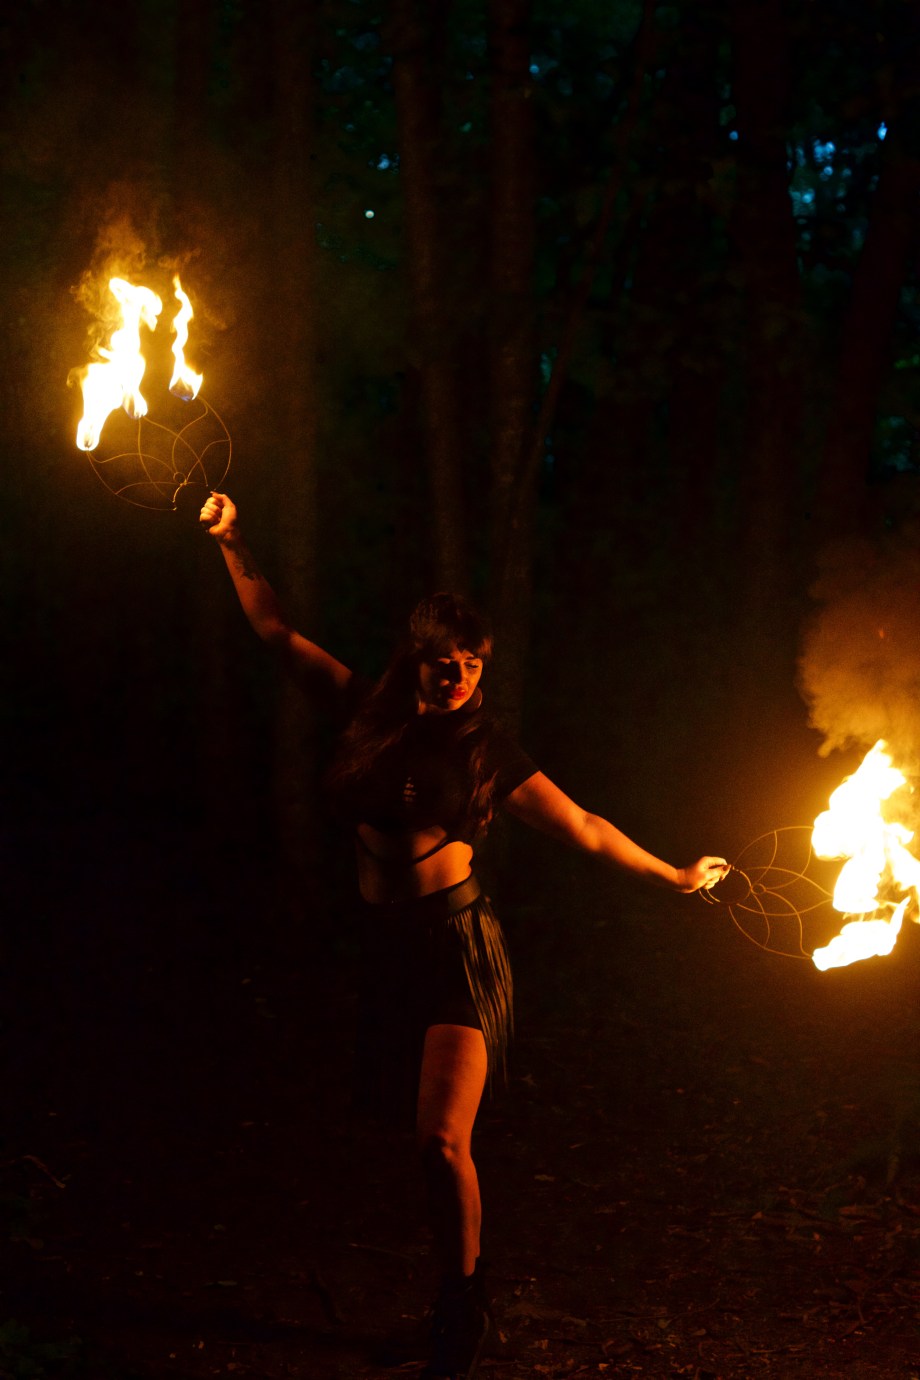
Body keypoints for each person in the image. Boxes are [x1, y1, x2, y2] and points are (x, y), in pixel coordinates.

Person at [199, 492, 727, 1380]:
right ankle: (451, 1297)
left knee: (445, 1140)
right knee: (416, 1145)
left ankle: (463, 1311)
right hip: (386, 952)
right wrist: (232, 538)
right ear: (417, 659)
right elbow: (276, 631)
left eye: (472, 665)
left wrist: (674, 875)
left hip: (458, 950)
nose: (458, 679)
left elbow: (588, 826)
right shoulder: (368, 712)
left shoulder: (487, 751)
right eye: (444, 663)